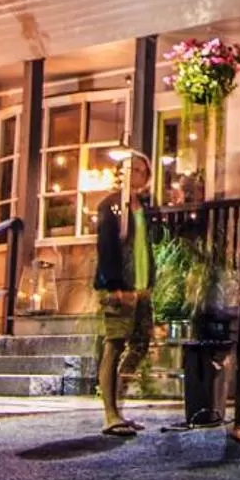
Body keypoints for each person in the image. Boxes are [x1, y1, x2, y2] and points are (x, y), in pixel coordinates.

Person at [93, 156, 154, 437]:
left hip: (140, 285)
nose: (138, 175)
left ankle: (119, 404)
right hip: (120, 286)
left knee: (141, 342)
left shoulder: (143, 208)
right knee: (115, 344)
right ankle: (110, 413)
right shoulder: (111, 205)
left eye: (142, 171)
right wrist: (115, 285)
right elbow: (106, 246)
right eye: (133, 170)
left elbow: (146, 245)